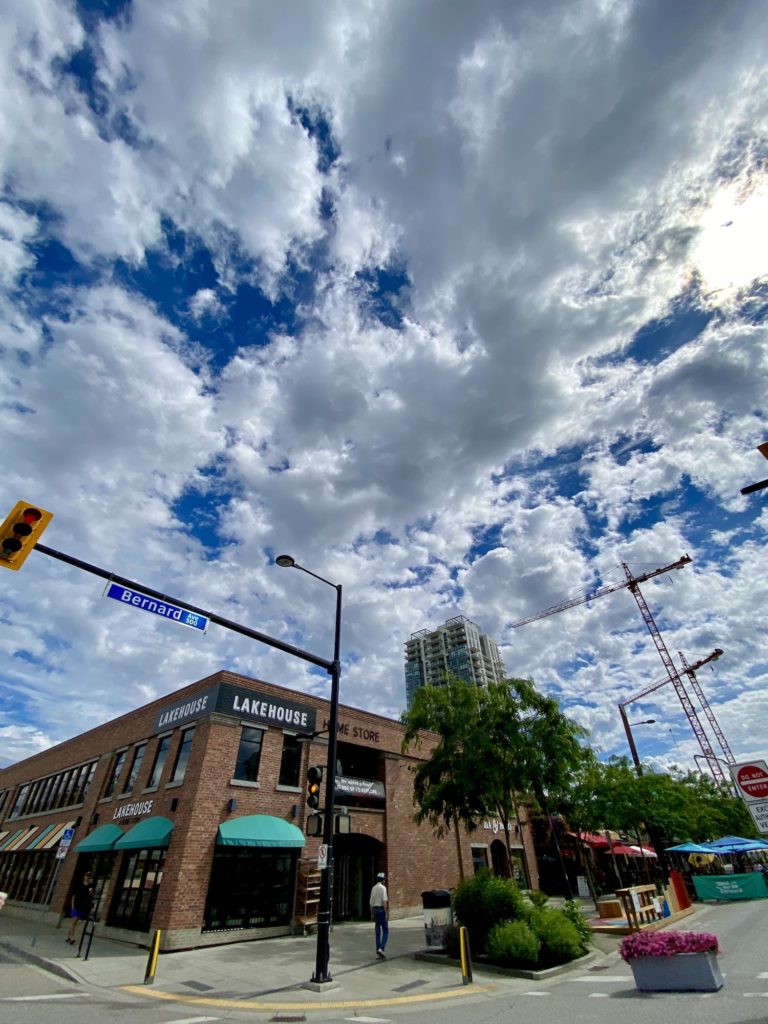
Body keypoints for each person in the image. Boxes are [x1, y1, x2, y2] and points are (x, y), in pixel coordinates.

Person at [66, 871, 94, 945]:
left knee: (75, 924)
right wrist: (72, 906)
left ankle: (68, 936)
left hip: (83, 907)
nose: (87, 877)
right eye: (86, 876)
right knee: (73, 923)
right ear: (84, 876)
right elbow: (74, 896)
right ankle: (72, 938)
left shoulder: (90, 886)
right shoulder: (79, 884)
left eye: (89, 876)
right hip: (76, 906)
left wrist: (90, 908)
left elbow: (91, 897)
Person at [369, 871, 389, 959]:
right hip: (381, 910)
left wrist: (372, 914)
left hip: (375, 910)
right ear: (383, 880)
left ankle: (378, 952)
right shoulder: (383, 888)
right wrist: (386, 913)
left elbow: (371, 903)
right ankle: (381, 948)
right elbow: (384, 902)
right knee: (385, 931)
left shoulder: (373, 888)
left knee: (377, 932)